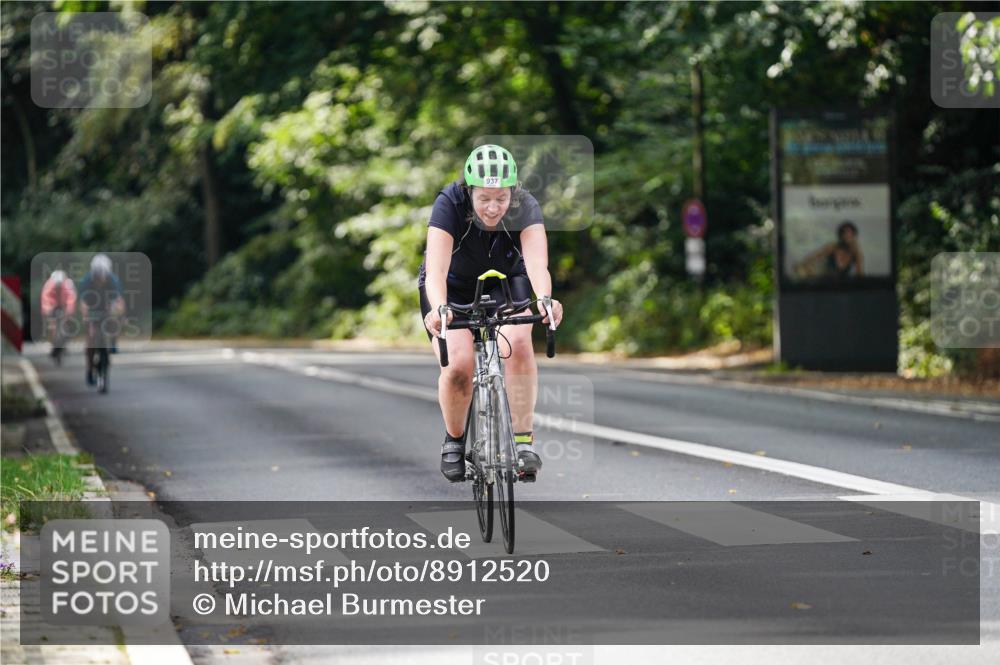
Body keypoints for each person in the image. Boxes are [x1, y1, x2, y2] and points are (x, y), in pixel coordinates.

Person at [418, 144, 564, 482]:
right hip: (451, 286)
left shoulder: (525, 205)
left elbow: (537, 264)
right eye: (484, 198)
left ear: (513, 192)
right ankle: (454, 441)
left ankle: (523, 442)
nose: (493, 207)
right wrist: (439, 308)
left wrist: (545, 299)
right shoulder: (449, 203)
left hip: (506, 281)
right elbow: (436, 271)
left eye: (501, 198)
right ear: (469, 191)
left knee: (520, 342)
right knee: (458, 365)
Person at [78, 254, 124, 385]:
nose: (100, 279)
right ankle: (89, 369)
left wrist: (116, 314)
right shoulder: (87, 280)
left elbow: (118, 301)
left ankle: (113, 342)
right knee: (91, 338)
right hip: (92, 308)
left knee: (115, 319)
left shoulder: (113, 281)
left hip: (106, 307)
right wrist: (86, 317)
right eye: (98, 276)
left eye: (103, 276)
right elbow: (83, 303)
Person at [795, 220, 865, 279]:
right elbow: (812, 258)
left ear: (854, 236)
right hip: (825, 280)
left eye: (850, 234)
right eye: (845, 233)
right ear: (841, 236)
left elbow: (860, 274)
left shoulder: (856, 253)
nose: (847, 236)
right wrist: (805, 268)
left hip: (842, 285)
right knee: (800, 270)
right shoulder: (833, 247)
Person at [40, 270, 77, 360]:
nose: (58, 287)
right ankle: (53, 343)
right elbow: (45, 298)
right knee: (52, 325)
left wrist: (69, 310)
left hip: (63, 305)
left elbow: (71, 298)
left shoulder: (68, 284)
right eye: (57, 286)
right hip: (52, 305)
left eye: (60, 285)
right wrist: (48, 310)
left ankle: (64, 344)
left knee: (65, 324)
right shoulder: (49, 285)